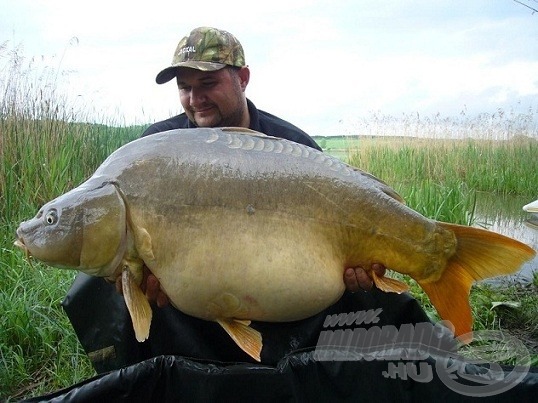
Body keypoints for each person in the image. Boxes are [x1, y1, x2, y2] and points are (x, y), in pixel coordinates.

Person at [125, 26, 385, 306]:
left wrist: (360, 268)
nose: (195, 99)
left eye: (208, 84)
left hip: (282, 295)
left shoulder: (294, 145)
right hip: (190, 298)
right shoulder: (157, 147)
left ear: (243, 78)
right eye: (185, 87)